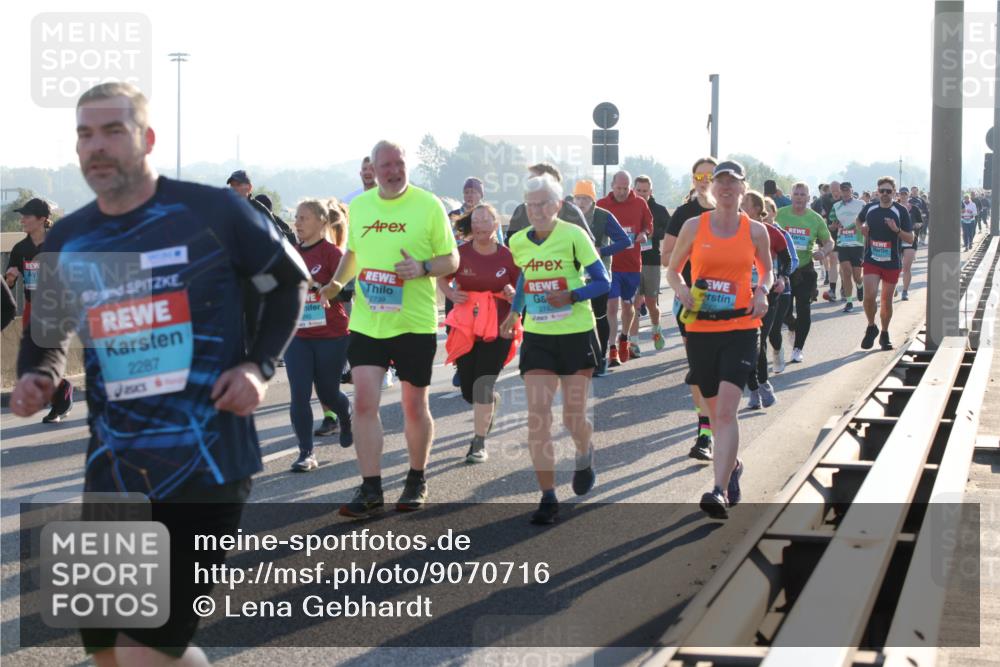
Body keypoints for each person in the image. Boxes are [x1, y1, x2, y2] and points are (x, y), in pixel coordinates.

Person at [12, 81, 307, 667]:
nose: (96, 146)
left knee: (145, 648)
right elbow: (46, 336)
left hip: (209, 463)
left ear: (146, 139)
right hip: (115, 467)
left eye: (112, 131)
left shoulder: (214, 212)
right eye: (84, 134)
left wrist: (259, 365)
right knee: (107, 649)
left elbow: (288, 283)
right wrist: (37, 378)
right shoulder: (69, 239)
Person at [320, 140, 459, 518]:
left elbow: (452, 258)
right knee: (365, 402)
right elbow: (353, 254)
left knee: (414, 405)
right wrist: (335, 284)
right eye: (386, 166)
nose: (394, 171)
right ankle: (371, 487)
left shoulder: (428, 205)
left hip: (413, 322)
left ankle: (416, 478)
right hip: (368, 321)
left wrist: (424, 268)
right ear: (373, 170)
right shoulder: (362, 207)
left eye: (399, 164)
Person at [665, 160, 773, 519]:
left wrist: (762, 291)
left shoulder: (755, 231)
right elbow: (673, 270)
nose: (726, 187)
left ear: (744, 188)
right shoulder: (695, 226)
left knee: (726, 410)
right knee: (714, 412)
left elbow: (767, 271)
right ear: (713, 188)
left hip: (742, 328)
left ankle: (718, 490)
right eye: (720, 182)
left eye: (733, 182)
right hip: (701, 330)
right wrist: (681, 291)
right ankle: (733, 466)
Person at [500, 174, 609, 525]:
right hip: (539, 336)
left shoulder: (574, 235)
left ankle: (584, 453)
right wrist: (514, 312)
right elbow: (524, 278)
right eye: (531, 204)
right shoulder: (518, 241)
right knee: (538, 416)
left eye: (544, 203)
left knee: (572, 416)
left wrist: (572, 295)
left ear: (558, 205)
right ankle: (547, 496)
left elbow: (602, 281)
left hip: (577, 332)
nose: (537, 210)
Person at [440, 204, 520, 463]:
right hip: (466, 324)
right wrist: (451, 293)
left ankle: (478, 442)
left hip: (499, 325)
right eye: (477, 220)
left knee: (483, 384)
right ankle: (491, 402)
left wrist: (514, 294)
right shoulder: (459, 253)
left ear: (496, 224)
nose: (481, 224)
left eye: (487, 220)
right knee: (467, 389)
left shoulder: (507, 255)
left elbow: (523, 285)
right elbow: (442, 276)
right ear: (471, 226)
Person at [285, 199, 354, 472]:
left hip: (331, 334)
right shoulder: (289, 253)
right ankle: (306, 453)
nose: (297, 223)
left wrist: (321, 287)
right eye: (297, 218)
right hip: (297, 335)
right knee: (299, 394)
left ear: (321, 222)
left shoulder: (332, 254)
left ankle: (345, 417)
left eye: (303, 218)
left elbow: (348, 291)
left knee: (328, 391)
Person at [663, 157, 718, 460]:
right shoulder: (685, 215)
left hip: (730, 304)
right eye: (700, 174)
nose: (705, 179)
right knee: (699, 369)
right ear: (693, 178)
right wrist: (684, 286)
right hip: (692, 301)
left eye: (711, 175)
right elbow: (667, 259)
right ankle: (705, 434)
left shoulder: (734, 214)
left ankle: (720, 426)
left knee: (723, 373)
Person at [5, 197, 75, 423]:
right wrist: (10, 278)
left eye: (27, 216)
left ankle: (59, 399)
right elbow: (9, 285)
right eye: (22, 216)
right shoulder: (20, 249)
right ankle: (62, 390)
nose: (22, 220)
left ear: (43, 219)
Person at [571, 179, 630, 376]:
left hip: (598, 275)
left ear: (593, 200)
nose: (581, 203)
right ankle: (584, 357)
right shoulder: (567, 217)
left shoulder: (604, 217)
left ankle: (602, 357)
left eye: (585, 198)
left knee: (599, 316)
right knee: (577, 317)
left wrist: (602, 250)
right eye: (578, 198)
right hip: (574, 275)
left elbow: (624, 240)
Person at [740, 191, 793, 409]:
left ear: (756, 209)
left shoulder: (771, 232)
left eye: (744, 204)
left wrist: (781, 277)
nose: (740, 207)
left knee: (758, 342)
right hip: (742, 293)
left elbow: (787, 259)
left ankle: (760, 386)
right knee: (745, 344)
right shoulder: (735, 232)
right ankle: (755, 387)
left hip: (767, 292)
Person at [597, 171, 653, 367]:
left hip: (631, 265)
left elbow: (648, 225)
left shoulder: (639, 203)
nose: (621, 192)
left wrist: (645, 234)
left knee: (629, 308)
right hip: (610, 266)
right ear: (612, 185)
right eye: (618, 187)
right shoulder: (602, 205)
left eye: (625, 188)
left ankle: (624, 337)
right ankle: (612, 349)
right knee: (611, 307)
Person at [774, 182, 834, 364]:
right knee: (782, 312)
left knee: (804, 308)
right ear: (790, 196)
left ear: (808, 198)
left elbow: (829, 241)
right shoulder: (780, 215)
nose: (799, 197)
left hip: (805, 269)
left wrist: (823, 252)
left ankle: (798, 348)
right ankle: (792, 325)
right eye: (796, 194)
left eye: (803, 195)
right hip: (783, 270)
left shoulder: (815, 219)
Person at [859, 177, 914, 351]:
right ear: (877, 191)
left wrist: (896, 230)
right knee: (869, 296)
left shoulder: (900, 211)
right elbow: (859, 221)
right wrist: (863, 229)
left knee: (886, 300)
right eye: (881, 191)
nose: (884, 194)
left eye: (888, 191)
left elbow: (910, 238)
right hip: (872, 259)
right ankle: (871, 326)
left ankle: (884, 332)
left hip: (891, 262)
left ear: (894, 193)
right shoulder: (870, 208)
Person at [630, 175, 672, 355]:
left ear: (651, 192)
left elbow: (670, 231)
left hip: (651, 261)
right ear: (634, 189)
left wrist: (652, 233)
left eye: (645, 191)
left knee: (650, 302)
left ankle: (656, 329)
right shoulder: (628, 208)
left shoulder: (659, 210)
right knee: (634, 303)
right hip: (630, 261)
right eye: (638, 190)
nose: (641, 194)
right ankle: (633, 343)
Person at [504, 163, 595, 242]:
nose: (530, 184)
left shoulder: (570, 211)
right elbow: (510, 241)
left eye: (535, 180)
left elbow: (588, 242)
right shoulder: (521, 210)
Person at [226, 169, 295, 243]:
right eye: (232, 185)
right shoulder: (228, 210)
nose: (234, 188)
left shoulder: (260, 211)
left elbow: (280, 240)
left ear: (249, 187)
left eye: (238, 185)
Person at [829, 182, 866, 312]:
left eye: (847, 190)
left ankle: (860, 285)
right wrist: (833, 226)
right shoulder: (836, 206)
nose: (845, 193)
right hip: (843, 242)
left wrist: (863, 227)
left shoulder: (861, 204)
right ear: (840, 192)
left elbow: (867, 220)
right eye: (843, 190)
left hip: (857, 243)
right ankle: (849, 302)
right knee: (846, 271)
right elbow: (832, 224)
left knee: (857, 275)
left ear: (851, 190)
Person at [896, 187, 923, 301]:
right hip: (896, 239)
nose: (903, 196)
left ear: (908, 195)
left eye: (905, 194)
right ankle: (894, 287)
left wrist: (917, 225)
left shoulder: (914, 208)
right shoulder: (894, 207)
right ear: (898, 195)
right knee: (895, 268)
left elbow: (920, 222)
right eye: (901, 194)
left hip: (910, 239)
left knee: (906, 267)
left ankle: (905, 291)